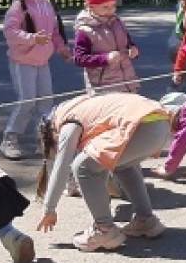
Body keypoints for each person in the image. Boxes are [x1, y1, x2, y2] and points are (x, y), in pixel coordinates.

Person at [36, 92, 173, 252]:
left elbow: (62, 166)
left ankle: (104, 230)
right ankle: (145, 220)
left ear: (52, 133)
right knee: (122, 165)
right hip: (160, 124)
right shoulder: (81, 106)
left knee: (82, 166)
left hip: (142, 127)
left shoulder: (67, 123)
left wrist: (49, 209)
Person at [1, 0, 70, 160]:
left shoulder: (47, 4)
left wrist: (62, 49)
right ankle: (10, 138)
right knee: (27, 100)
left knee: (46, 102)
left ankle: (44, 140)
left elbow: (54, 31)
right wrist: (32, 38)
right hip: (23, 62)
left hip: (43, 62)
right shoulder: (19, 6)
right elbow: (10, 32)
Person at [73, 0, 140, 95]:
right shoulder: (85, 30)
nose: (111, 10)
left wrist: (133, 50)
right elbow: (79, 58)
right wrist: (105, 58)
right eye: (105, 7)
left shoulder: (118, 22)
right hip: (103, 88)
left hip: (127, 82)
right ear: (91, 6)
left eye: (113, 6)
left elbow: (129, 43)